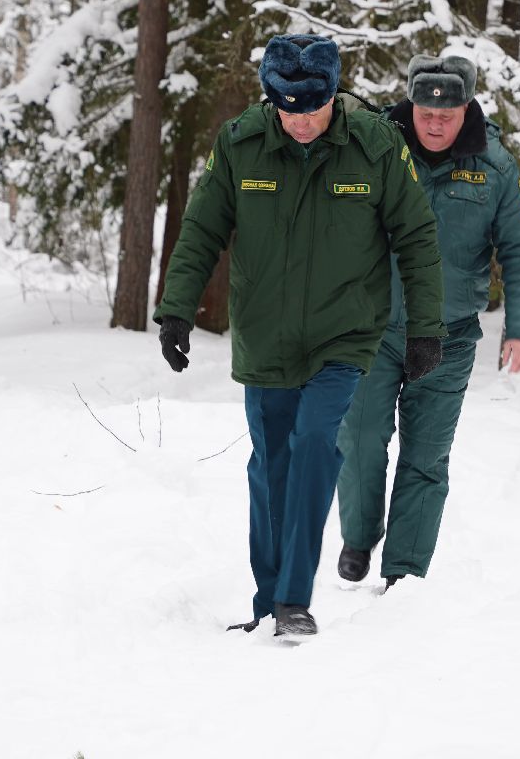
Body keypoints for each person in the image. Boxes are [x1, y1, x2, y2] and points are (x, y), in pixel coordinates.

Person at [153, 34, 446, 638]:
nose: (300, 121)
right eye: (287, 108)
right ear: (271, 100)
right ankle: (268, 604)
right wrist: (177, 309)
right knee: (271, 466)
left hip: (345, 332)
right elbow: (202, 228)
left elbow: (416, 238)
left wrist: (425, 329)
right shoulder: (240, 144)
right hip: (265, 334)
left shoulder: (375, 145)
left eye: (311, 108)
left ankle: (293, 598)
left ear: (333, 97)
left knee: (316, 441)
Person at [335, 53, 520, 590]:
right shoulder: (374, 148)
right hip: (372, 328)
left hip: (449, 337)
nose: (433, 122)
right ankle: (360, 534)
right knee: (358, 439)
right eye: (425, 111)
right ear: (410, 100)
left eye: (446, 114)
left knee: (426, 456)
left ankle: (404, 569)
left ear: (467, 108)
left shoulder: (494, 165)